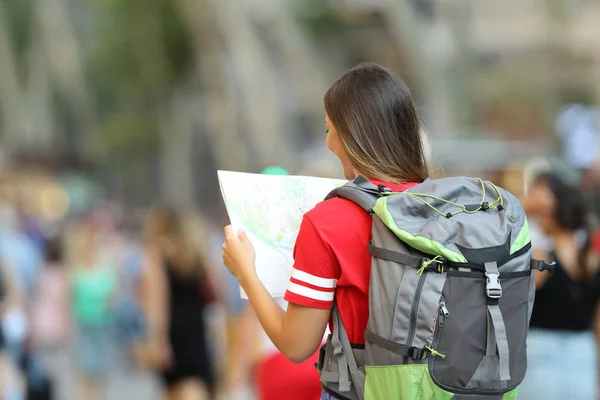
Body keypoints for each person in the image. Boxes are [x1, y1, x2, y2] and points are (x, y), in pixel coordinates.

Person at [221, 63, 428, 399]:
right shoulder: (440, 205)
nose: (329, 141)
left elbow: (297, 345)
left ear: (349, 134)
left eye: (328, 129)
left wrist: (246, 272)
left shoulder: (330, 219)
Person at [225, 166, 325, 400]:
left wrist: (234, 378)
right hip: (323, 359)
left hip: (276, 362)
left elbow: (252, 320)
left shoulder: (260, 251)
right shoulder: (316, 241)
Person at [518, 172, 600, 400]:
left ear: (554, 214)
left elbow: (515, 306)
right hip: (583, 356)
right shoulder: (592, 261)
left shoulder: (541, 259)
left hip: (540, 353)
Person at [141, 206, 219, 400]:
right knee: (196, 387)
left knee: (174, 389)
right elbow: (216, 293)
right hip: (197, 331)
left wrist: (158, 340)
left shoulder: (159, 255)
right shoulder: (198, 256)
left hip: (173, 333)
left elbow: (157, 301)